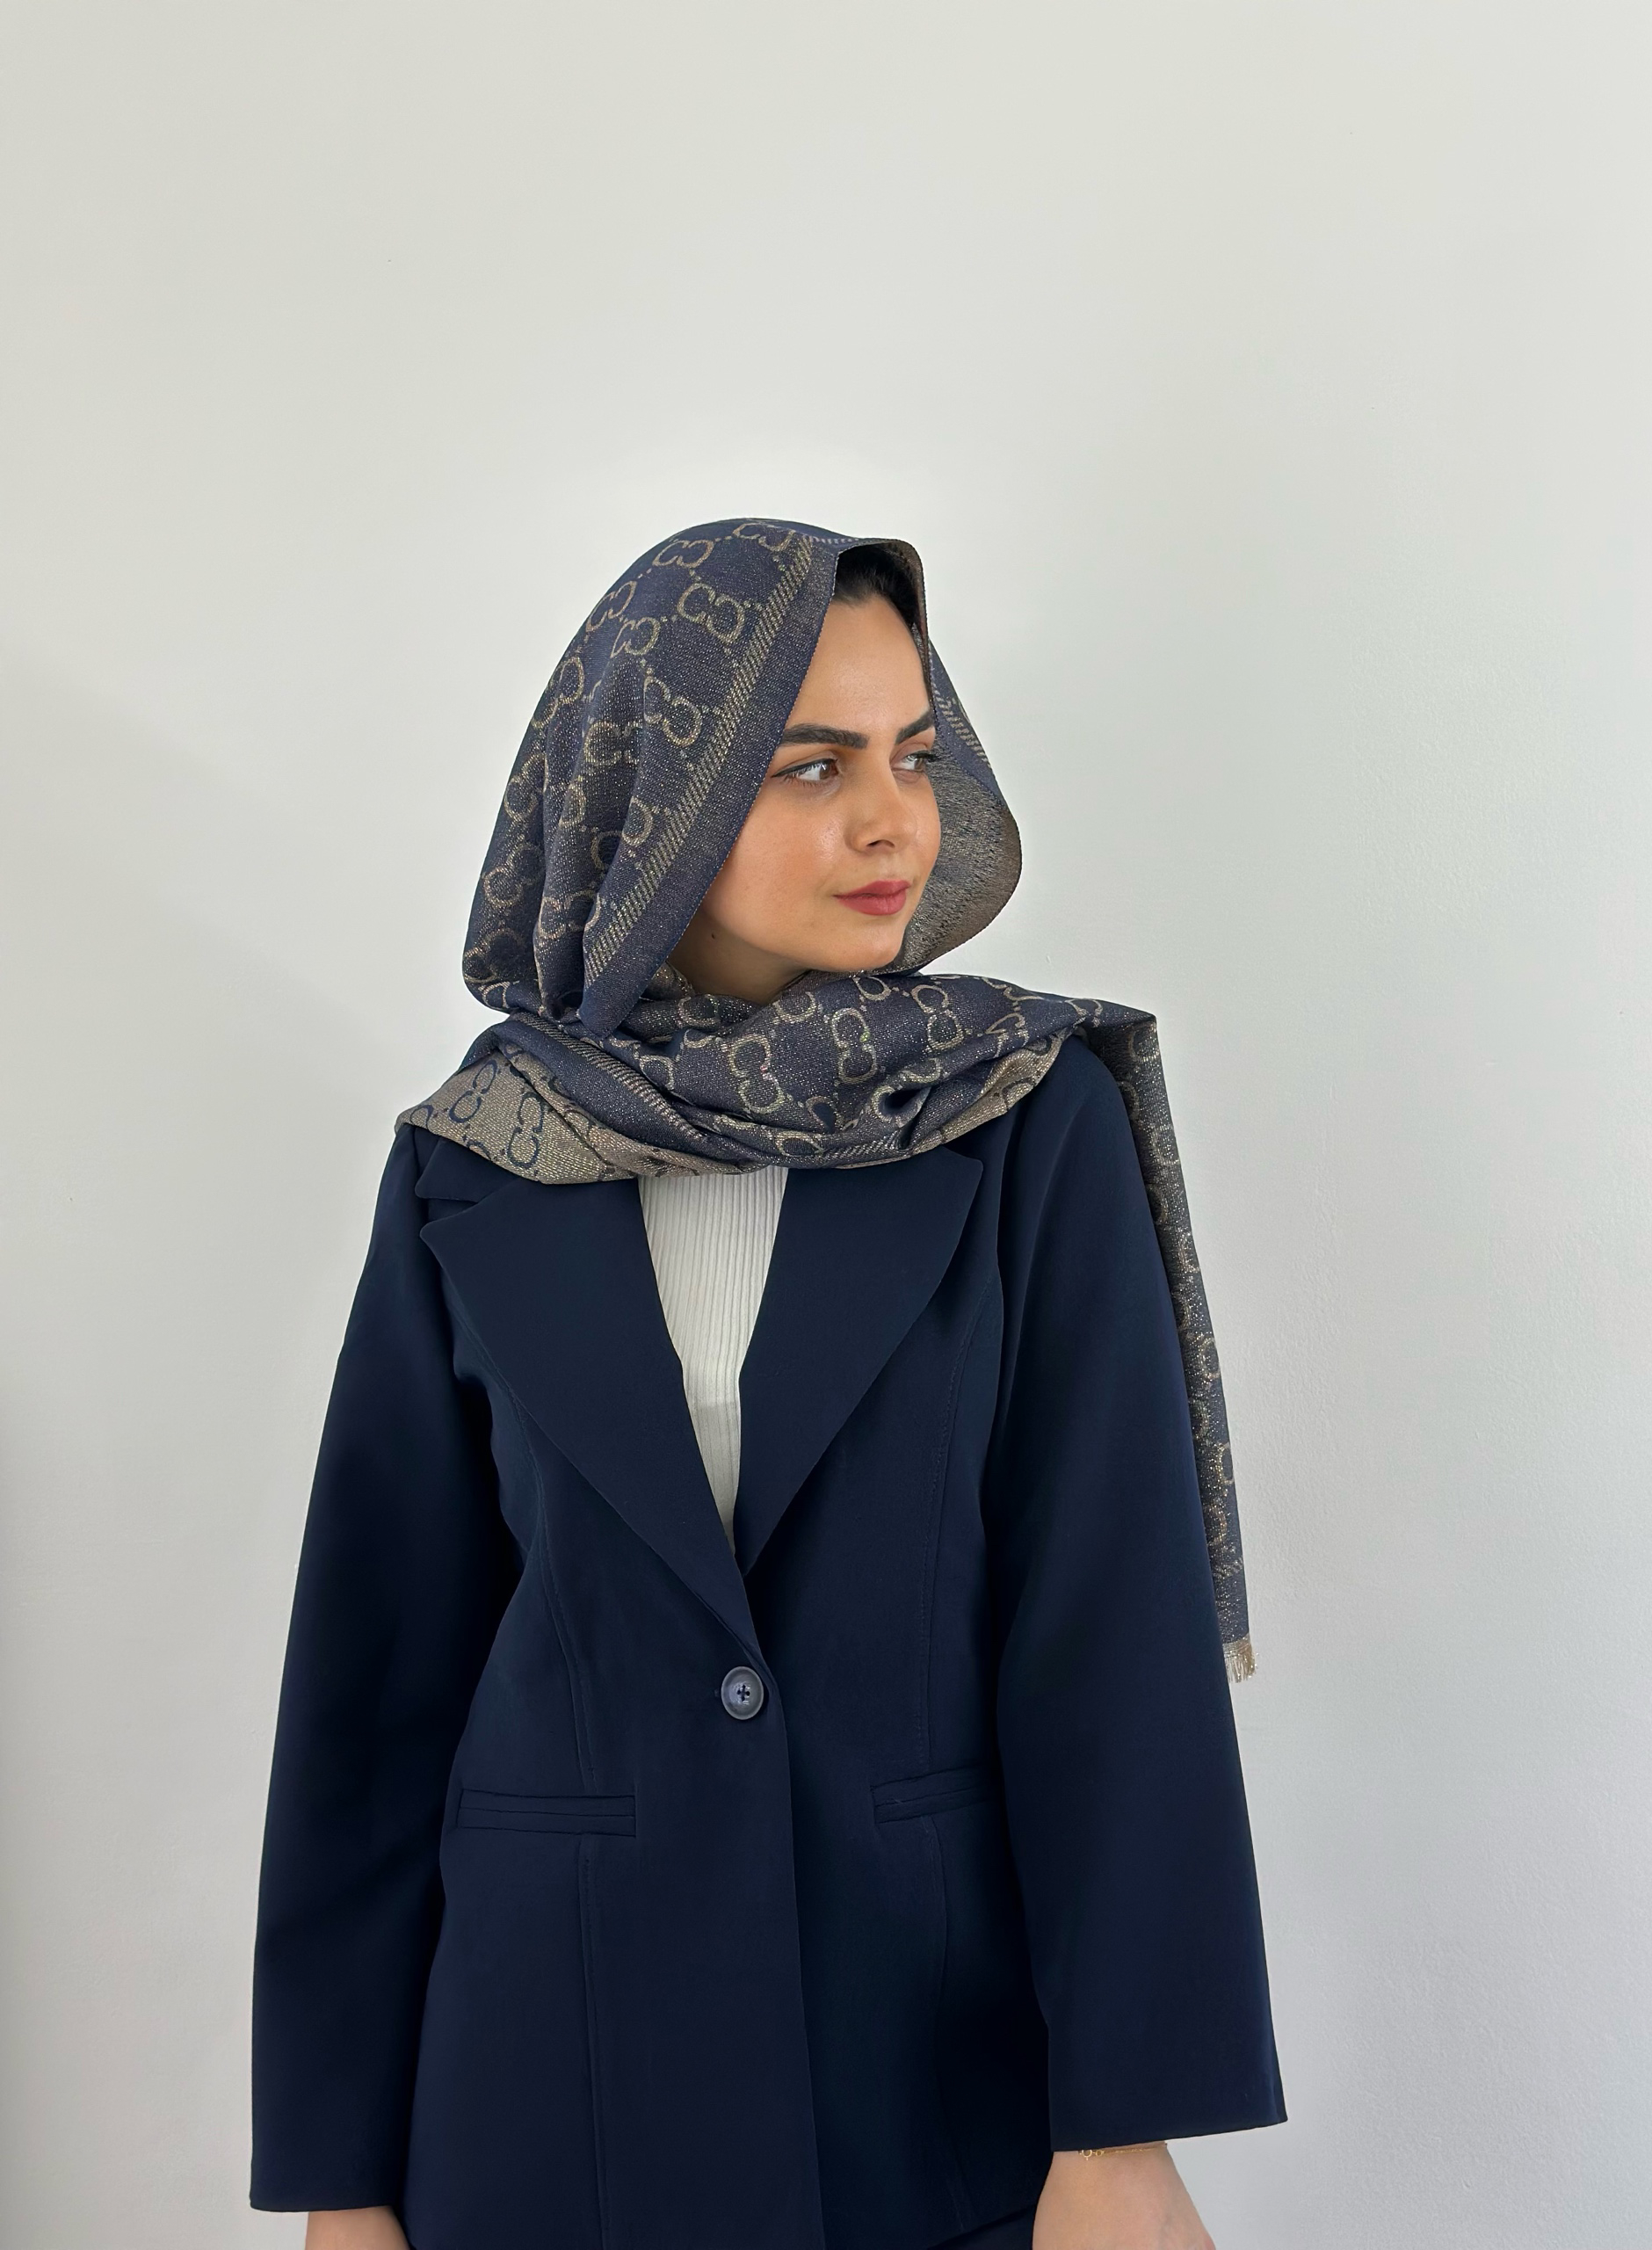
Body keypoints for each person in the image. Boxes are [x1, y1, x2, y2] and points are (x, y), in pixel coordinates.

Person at [250, 521, 1285, 2250]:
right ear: (647, 793)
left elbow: (1117, 1646)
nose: (894, 822)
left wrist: (1123, 2130)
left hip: (925, 2093)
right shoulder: (481, 1154)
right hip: (539, 2101)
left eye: (915, 757)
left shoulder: (1023, 1119)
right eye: (813, 766)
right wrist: (337, 2180)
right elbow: (373, 1682)